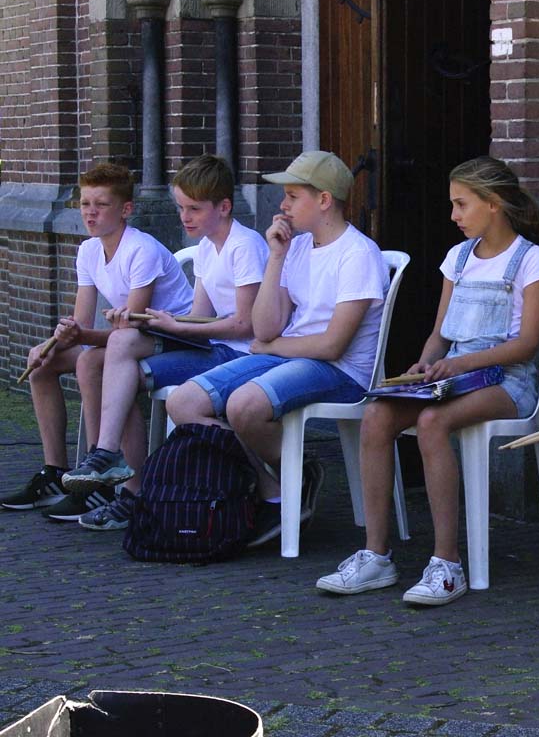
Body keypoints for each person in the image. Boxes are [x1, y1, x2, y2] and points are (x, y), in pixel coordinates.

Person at [316, 156, 539, 606]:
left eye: (461, 204)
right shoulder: (457, 258)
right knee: (378, 414)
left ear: (494, 203)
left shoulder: (531, 260)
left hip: (508, 382)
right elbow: (440, 335)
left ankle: (447, 563)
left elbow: (526, 346)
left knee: (432, 422)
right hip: (452, 378)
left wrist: (460, 366)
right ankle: (376, 555)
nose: (453, 215)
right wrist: (422, 367)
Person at [165, 150, 388, 546]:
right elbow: (265, 326)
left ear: (323, 200)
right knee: (183, 403)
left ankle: (288, 479)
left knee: (244, 406)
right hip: (288, 356)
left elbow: (333, 345)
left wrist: (276, 345)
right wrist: (277, 257)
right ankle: (274, 484)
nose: (283, 205)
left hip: (342, 372)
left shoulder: (358, 253)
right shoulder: (297, 248)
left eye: (292, 196)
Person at [71, 155, 269, 531]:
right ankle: (126, 480)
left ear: (224, 207)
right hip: (213, 348)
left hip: (239, 355)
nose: (184, 217)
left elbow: (246, 326)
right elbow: (200, 316)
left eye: (194, 208)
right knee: (112, 358)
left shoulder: (245, 245)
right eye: (180, 208)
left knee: (121, 350)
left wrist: (172, 326)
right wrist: (163, 323)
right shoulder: (208, 247)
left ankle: (112, 461)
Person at [1, 163, 194, 521]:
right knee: (40, 362)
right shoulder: (88, 251)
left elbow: (131, 328)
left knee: (92, 361)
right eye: (85, 204)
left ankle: (102, 481)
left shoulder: (141, 249)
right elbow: (84, 325)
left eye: (101, 204)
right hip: (127, 340)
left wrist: (78, 336)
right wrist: (60, 338)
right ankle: (57, 474)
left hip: (169, 339)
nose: (90, 212)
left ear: (125, 209)